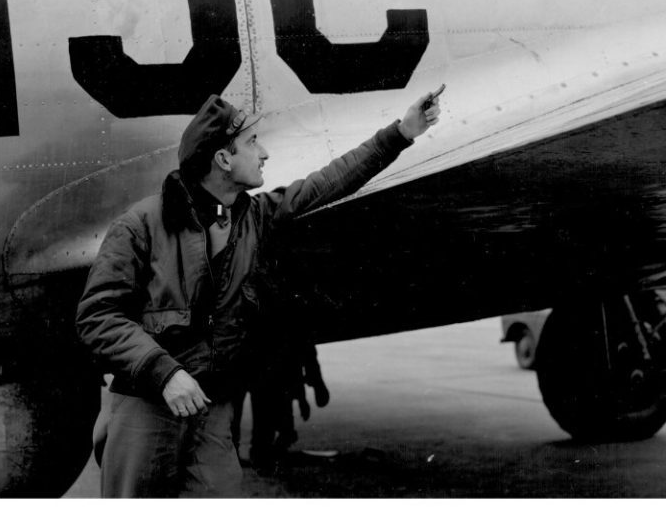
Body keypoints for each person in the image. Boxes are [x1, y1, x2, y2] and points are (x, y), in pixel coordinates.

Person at [75, 88, 443, 497]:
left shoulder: (255, 216)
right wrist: (166, 374)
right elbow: (98, 317)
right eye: (252, 143)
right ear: (223, 159)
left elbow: (331, 181)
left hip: (211, 410)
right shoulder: (141, 225)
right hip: (147, 407)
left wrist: (402, 133)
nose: (264, 153)